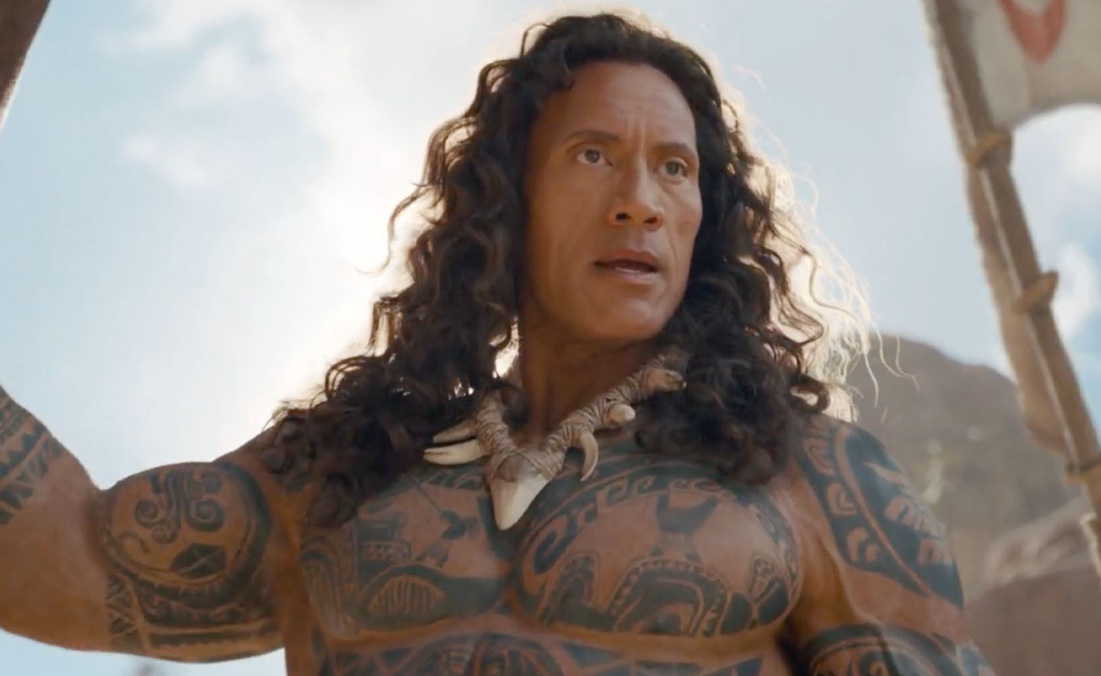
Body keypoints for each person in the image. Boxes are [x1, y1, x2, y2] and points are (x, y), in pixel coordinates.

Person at [0, 11, 993, 675]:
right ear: (509, 201)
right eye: (593, 154)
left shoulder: (810, 476)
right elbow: (74, 558)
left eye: (674, 168)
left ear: (707, 214)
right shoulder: (348, 467)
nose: (640, 202)